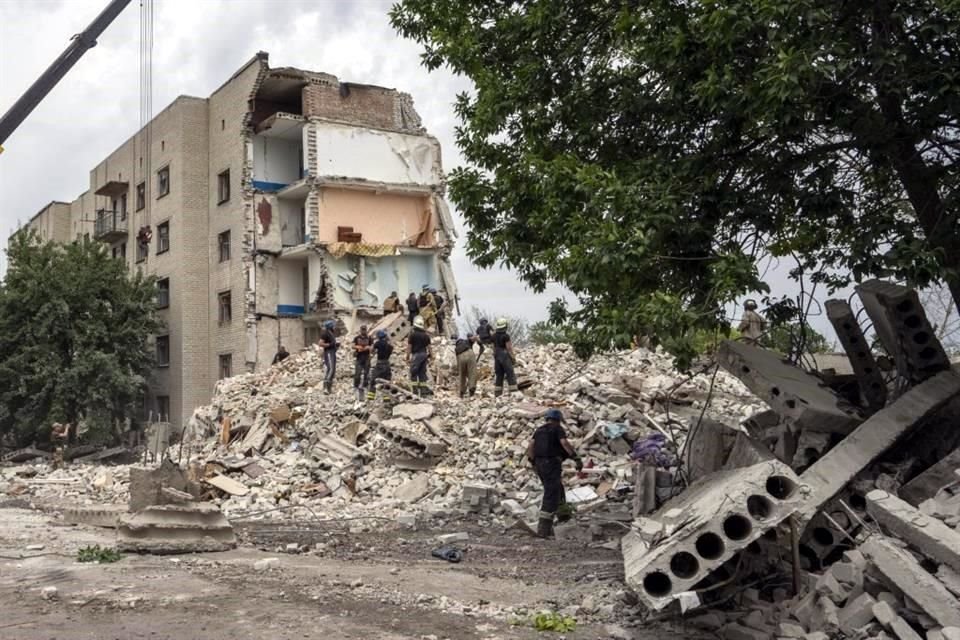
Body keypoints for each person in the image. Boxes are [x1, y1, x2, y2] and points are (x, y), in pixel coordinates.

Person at [526, 408, 583, 539]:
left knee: (558, 488)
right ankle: (543, 529)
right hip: (551, 463)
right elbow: (564, 443)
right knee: (551, 493)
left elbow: (530, 447)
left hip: (539, 463)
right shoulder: (557, 428)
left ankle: (564, 516)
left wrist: (533, 462)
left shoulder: (539, 431)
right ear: (558, 420)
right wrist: (576, 457)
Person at [407, 315, 432, 396]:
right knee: (422, 373)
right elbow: (429, 347)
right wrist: (431, 356)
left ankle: (414, 391)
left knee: (414, 372)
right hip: (424, 355)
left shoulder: (412, 335)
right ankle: (423, 391)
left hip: (416, 355)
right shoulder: (426, 335)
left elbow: (409, 347)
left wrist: (407, 356)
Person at [492, 317, 518, 396]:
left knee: (499, 375)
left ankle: (497, 394)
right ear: (505, 326)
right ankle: (514, 393)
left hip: (497, 355)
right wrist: (513, 358)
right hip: (504, 355)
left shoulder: (494, 336)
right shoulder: (506, 336)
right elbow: (509, 348)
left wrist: (495, 355)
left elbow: (493, 347)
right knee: (510, 373)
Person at [368, 329, 393, 401]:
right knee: (387, 380)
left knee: (374, 378)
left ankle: (371, 395)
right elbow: (391, 349)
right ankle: (387, 397)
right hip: (387, 364)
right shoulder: (389, 345)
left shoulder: (378, 343)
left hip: (380, 363)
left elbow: (372, 350)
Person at [352, 325, 372, 405]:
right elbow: (353, 345)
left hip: (366, 357)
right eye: (362, 330)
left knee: (366, 373)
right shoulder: (357, 338)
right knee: (357, 373)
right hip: (359, 357)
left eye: (364, 330)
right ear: (360, 330)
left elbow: (372, 346)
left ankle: (365, 385)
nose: (363, 331)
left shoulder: (369, 338)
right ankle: (356, 385)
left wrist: (368, 348)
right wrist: (358, 347)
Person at [318, 319, 338, 394]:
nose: (334, 327)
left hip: (332, 352)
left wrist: (336, 345)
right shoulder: (325, 333)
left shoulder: (331, 333)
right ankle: (326, 387)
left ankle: (329, 388)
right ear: (330, 326)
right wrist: (329, 345)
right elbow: (320, 343)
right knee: (331, 368)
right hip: (329, 352)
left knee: (333, 369)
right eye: (333, 325)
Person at [455, 333, 478, 398]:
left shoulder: (456, 348)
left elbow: (457, 361)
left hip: (460, 356)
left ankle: (462, 392)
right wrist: (478, 339)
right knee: (472, 372)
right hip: (469, 353)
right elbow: (473, 338)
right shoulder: (467, 341)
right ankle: (472, 389)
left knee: (462, 375)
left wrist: (458, 368)